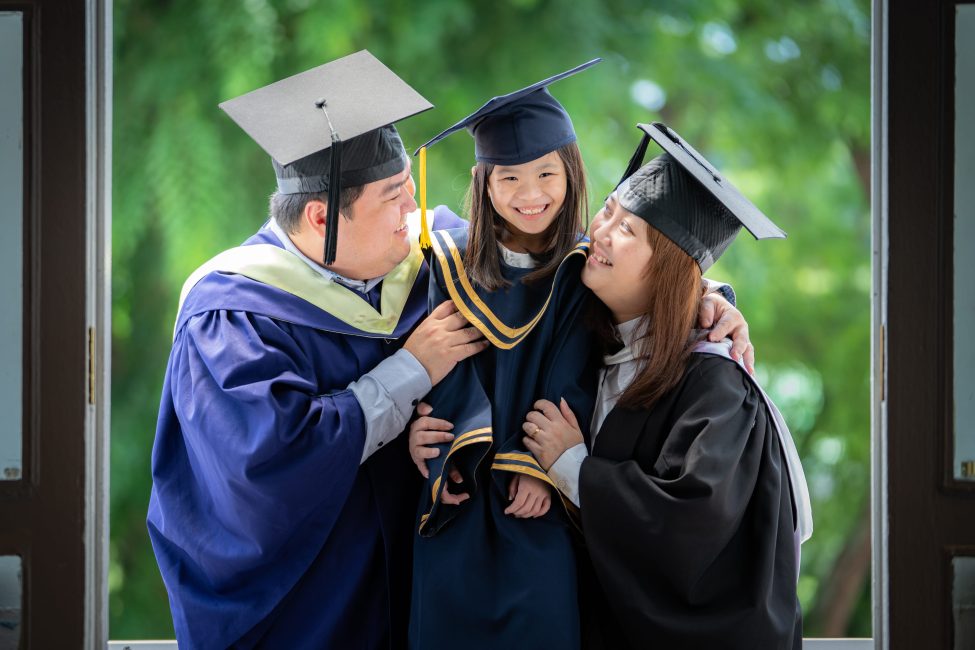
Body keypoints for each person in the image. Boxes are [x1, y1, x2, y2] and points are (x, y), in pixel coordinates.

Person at [146, 51, 486, 650]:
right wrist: (412, 369)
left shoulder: (434, 255)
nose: (414, 208)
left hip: (424, 607)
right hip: (311, 615)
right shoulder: (232, 318)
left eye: (410, 186)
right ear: (322, 215)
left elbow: (563, 269)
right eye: (392, 196)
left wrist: (702, 299)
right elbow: (271, 463)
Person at [405, 63, 751, 650]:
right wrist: (433, 436)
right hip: (459, 485)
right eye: (508, 178)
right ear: (483, 182)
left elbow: (576, 363)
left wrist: (717, 298)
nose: (530, 193)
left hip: (538, 491)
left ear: (572, 171)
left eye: (546, 173)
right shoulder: (445, 258)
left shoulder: (581, 267)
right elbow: (444, 366)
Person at [521, 123, 813, 650]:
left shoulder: (714, 385)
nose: (600, 233)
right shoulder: (587, 335)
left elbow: (695, 520)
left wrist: (574, 468)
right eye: (607, 211)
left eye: (627, 230)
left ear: (670, 272)